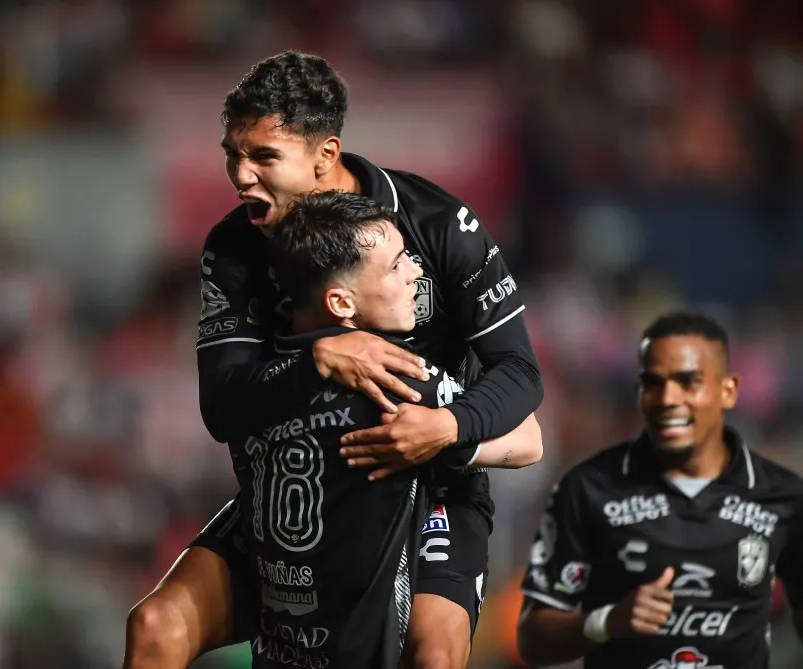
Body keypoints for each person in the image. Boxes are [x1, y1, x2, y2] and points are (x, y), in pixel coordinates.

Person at [126, 51, 544, 669]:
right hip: (294, 490)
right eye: (232, 155)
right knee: (157, 625)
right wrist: (319, 358)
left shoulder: (436, 225)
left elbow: (520, 375)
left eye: (264, 157)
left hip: (425, 488)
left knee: (432, 653)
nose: (240, 176)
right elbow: (222, 405)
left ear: (325, 155)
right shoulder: (235, 247)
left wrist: (448, 430)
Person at [227, 189, 542, 668]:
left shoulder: (396, 371)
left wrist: (442, 436)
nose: (418, 273)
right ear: (341, 301)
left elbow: (528, 440)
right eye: (398, 265)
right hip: (305, 593)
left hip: (433, 514)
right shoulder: (309, 375)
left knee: (434, 654)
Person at [516, 311, 803, 668]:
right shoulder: (588, 488)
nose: (667, 398)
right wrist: (606, 621)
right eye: (653, 383)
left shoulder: (784, 497)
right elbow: (532, 639)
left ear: (728, 391)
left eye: (688, 382)